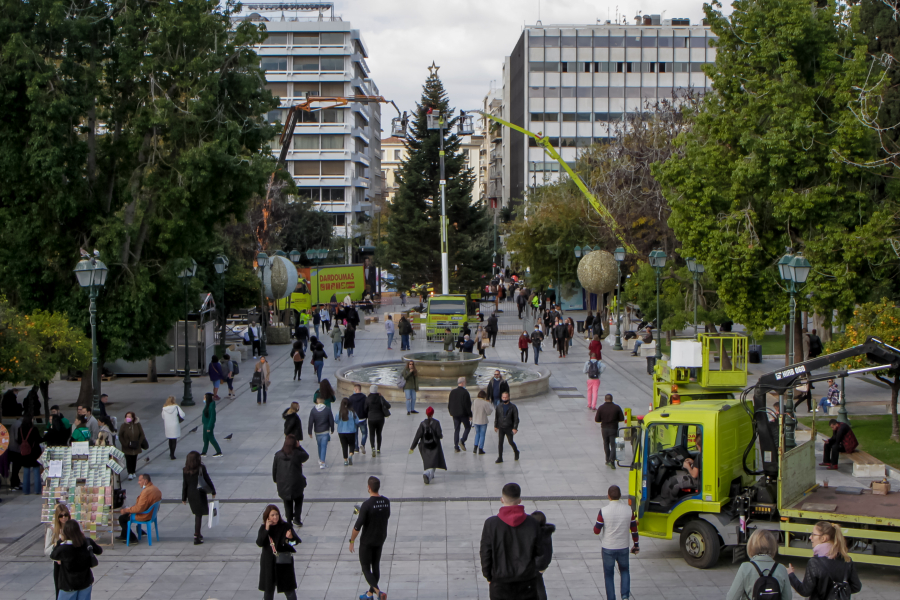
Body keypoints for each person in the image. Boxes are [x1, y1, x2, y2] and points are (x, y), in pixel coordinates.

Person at [480, 482, 545, 600]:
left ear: (502, 499)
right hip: (527, 581)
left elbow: (485, 553)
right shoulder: (532, 523)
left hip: (500, 582)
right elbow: (540, 551)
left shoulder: (491, 524)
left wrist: (488, 576)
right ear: (520, 500)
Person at [787, 521, 860, 600]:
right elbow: (856, 587)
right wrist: (838, 591)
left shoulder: (814, 563)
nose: (810, 537)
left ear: (823, 538)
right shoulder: (847, 560)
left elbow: (805, 591)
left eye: (813, 534)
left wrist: (790, 574)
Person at [593, 485, 639, 600]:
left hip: (608, 547)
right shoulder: (628, 510)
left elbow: (596, 531)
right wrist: (636, 545)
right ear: (620, 496)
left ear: (608, 496)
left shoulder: (603, 511)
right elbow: (634, 530)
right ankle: (625, 596)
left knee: (609, 575)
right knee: (625, 570)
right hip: (623, 547)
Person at [350, 476, 391, 600]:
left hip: (367, 541)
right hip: (380, 538)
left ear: (368, 487)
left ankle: (378, 593)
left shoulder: (366, 505)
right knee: (376, 565)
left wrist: (352, 541)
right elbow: (386, 516)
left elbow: (357, 526)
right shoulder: (386, 502)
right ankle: (369, 595)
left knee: (366, 568)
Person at [725, 529, 791, 600]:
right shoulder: (781, 568)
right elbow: (788, 597)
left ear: (751, 546)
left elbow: (731, 597)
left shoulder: (745, 567)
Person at [256, 505, 299, 600]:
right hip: (269, 563)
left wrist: (290, 538)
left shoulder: (286, 526)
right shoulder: (264, 528)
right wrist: (266, 529)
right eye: (272, 515)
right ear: (267, 516)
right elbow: (260, 543)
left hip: (284, 562)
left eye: (277, 514)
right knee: (269, 589)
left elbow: (294, 543)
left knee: (289, 589)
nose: (275, 517)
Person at [52, 519, 103, 600]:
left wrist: (60, 541)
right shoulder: (87, 542)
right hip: (85, 582)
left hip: (68, 584)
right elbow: (99, 550)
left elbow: (53, 555)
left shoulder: (63, 548)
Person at [272, 435, 309, 527]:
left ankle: (289, 520)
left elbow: (274, 469)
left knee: (287, 501)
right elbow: (306, 456)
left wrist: (276, 480)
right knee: (298, 499)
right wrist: (299, 447)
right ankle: (297, 518)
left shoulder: (278, 455)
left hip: (283, 483)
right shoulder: (297, 454)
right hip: (296, 483)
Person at [182, 451, 217, 545]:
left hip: (191, 494)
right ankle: (196, 536)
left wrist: (184, 498)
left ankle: (198, 534)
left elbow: (185, 484)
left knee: (197, 514)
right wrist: (213, 491)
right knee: (198, 515)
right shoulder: (201, 468)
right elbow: (207, 479)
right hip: (199, 493)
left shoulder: (185, 470)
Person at [117, 473, 162, 544]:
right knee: (126, 515)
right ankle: (124, 535)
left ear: (145, 481)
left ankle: (132, 539)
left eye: (140, 480)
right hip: (152, 514)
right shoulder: (155, 488)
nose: (138, 482)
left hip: (145, 515)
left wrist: (127, 510)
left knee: (122, 518)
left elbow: (139, 508)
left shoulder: (146, 492)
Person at [659, 433, 702, 503]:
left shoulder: (700, 456)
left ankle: (668, 501)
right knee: (673, 473)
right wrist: (693, 462)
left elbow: (694, 475)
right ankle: (666, 497)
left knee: (673, 481)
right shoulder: (705, 454)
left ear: (697, 444)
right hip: (700, 478)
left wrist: (687, 466)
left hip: (697, 480)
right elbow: (700, 466)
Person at [410, 406, 447, 484]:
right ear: (432, 413)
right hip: (435, 446)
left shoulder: (422, 424)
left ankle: (429, 474)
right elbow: (439, 434)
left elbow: (417, 436)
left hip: (425, 446)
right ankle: (427, 474)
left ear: (426, 413)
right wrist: (441, 436)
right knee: (433, 462)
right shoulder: (436, 423)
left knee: (428, 462)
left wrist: (412, 447)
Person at [45, 503, 71, 598]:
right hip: (59, 565)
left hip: (72, 562)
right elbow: (46, 550)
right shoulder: (52, 530)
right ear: (57, 517)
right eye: (61, 516)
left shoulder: (73, 527)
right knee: (59, 592)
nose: (64, 518)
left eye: (66, 515)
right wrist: (57, 544)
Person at [531, 510, 556, 600]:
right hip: (543, 562)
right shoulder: (547, 532)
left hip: (536, 563)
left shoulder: (536, 534)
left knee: (538, 585)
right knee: (538, 583)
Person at [595, 394, 624, 467]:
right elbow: (622, 418)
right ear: (612, 399)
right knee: (613, 445)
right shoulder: (617, 407)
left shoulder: (601, 408)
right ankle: (612, 460)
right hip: (613, 428)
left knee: (606, 444)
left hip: (604, 428)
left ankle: (607, 460)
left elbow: (597, 420)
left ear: (605, 399)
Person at [16, 415, 43, 495]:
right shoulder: (34, 429)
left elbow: (19, 440)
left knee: (26, 471)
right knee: (36, 471)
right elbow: (38, 439)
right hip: (34, 452)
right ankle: (37, 490)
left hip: (24, 453)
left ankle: (26, 490)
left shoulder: (20, 429)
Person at [308, 392, 335, 469]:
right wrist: (332, 429)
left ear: (317, 400)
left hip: (317, 431)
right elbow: (331, 420)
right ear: (323, 400)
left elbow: (310, 422)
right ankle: (322, 462)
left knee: (319, 446)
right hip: (325, 431)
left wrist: (310, 432)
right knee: (324, 446)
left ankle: (320, 459)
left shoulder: (313, 410)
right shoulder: (327, 410)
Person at [119, 411, 148, 479]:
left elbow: (142, 435)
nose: (127, 418)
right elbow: (120, 436)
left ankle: (133, 471)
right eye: (127, 416)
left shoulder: (137, 425)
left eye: (129, 416)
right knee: (128, 459)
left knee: (134, 459)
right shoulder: (123, 426)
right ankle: (130, 472)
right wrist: (125, 443)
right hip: (127, 446)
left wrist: (139, 443)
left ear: (133, 418)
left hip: (135, 445)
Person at [448, 377, 473, 452]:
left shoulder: (452, 392)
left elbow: (450, 404)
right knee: (467, 427)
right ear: (463, 383)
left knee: (457, 429)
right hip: (463, 414)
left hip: (455, 414)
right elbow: (467, 405)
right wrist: (470, 415)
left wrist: (451, 412)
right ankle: (462, 440)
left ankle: (456, 447)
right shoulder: (465, 392)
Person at [365, 385, 390, 457]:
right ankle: (378, 449)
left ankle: (373, 448)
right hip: (380, 418)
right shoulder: (380, 398)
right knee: (379, 433)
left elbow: (365, 409)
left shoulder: (368, 399)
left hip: (371, 418)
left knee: (372, 434)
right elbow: (388, 406)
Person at [494, 391, 520, 463]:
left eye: (506, 397)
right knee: (500, 443)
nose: (504, 399)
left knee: (510, 441)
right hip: (501, 427)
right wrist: (496, 426)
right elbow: (497, 417)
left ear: (508, 397)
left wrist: (515, 428)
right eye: (503, 397)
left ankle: (516, 451)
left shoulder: (513, 407)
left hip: (509, 427)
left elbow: (516, 419)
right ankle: (500, 457)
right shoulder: (499, 406)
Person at [337, 398, 360, 466]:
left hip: (341, 431)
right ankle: (350, 454)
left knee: (344, 446)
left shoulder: (339, 413)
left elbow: (336, 421)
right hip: (351, 431)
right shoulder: (353, 413)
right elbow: (357, 421)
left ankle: (345, 460)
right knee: (352, 444)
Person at [161, 396, 186, 460]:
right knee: (174, 440)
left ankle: (170, 452)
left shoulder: (164, 408)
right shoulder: (176, 407)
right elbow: (182, 414)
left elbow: (163, 416)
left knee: (170, 439)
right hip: (174, 425)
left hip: (168, 425)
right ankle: (172, 454)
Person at [348, 384, 369, 455]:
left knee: (355, 434)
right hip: (362, 418)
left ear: (356, 389)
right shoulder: (364, 397)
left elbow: (349, 408)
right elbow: (366, 407)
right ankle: (362, 444)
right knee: (364, 433)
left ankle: (356, 448)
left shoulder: (351, 398)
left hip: (354, 419)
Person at [201, 393, 223, 458]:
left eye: (205, 397)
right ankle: (204, 452)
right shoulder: (207, 405)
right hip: (205, 424)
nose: (204, 399)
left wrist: (209, 427)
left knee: (211, 438)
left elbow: (212, 418)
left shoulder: (211, 407)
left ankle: (219, 452)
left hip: (208, 425)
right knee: (205, 439)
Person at [472, 390, 494, 455]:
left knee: (477, 433)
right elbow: (489, 412)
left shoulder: (474, 401)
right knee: (482, 435)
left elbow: (472, 409)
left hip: (475, 420)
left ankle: (475, 447)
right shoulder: (485, 403)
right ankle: (480, 449)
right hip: (483, 421)